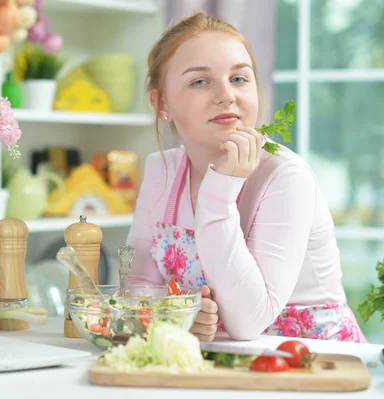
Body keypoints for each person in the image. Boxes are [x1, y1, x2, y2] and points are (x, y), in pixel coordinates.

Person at [126, 12, 367, 343]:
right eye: (200, 81)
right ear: (161, 103)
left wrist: (221, 187)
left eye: (239, 79)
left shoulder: (286, 177)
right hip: (224, 364)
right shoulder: (161, 171)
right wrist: (173, 314)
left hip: (316, 367)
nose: (227, 95)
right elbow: (137, 286)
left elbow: (247, 321)